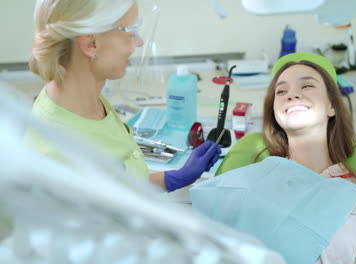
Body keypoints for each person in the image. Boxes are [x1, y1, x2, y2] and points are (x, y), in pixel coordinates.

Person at [26, 0, 221, 192]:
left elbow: (117, 184)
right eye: (131, 30)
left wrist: (174, 178)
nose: (139, 41)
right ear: (91, 44)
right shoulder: (61, 156)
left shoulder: (81, 98)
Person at [263, 53, 356, 263]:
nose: (292, 95)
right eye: (281, 91)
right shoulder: (259, 186)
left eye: (307, 86)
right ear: (275, 113)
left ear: (332, 106)